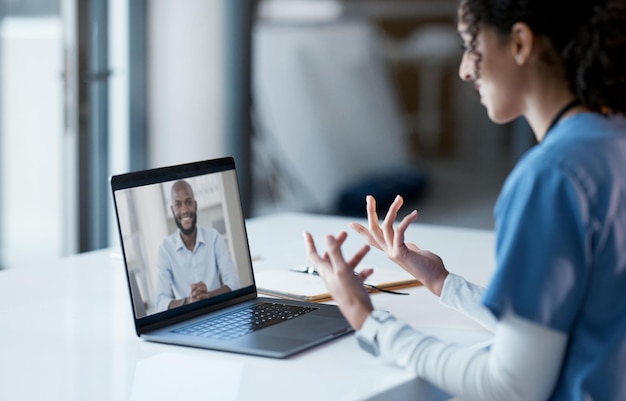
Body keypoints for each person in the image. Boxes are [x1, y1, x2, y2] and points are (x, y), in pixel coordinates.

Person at [303, 0, 626, 400]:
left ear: (521, 43)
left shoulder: (551, 177)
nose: (465, 70)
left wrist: (367, 319)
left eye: (471, 46)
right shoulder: (612, 141)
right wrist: (442, 282)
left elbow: (510, 387)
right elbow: (568, 323)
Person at [156, 179, 240, 312]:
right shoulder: (165, 249)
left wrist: (208, 296)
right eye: (178, 205)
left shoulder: (214, 237)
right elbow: (161, 301)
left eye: (188, 202)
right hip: (187, 318)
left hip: (218, 311)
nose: (184, 210)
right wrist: (188, 301)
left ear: (195, 205)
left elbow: (234, 282)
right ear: (172, 210)